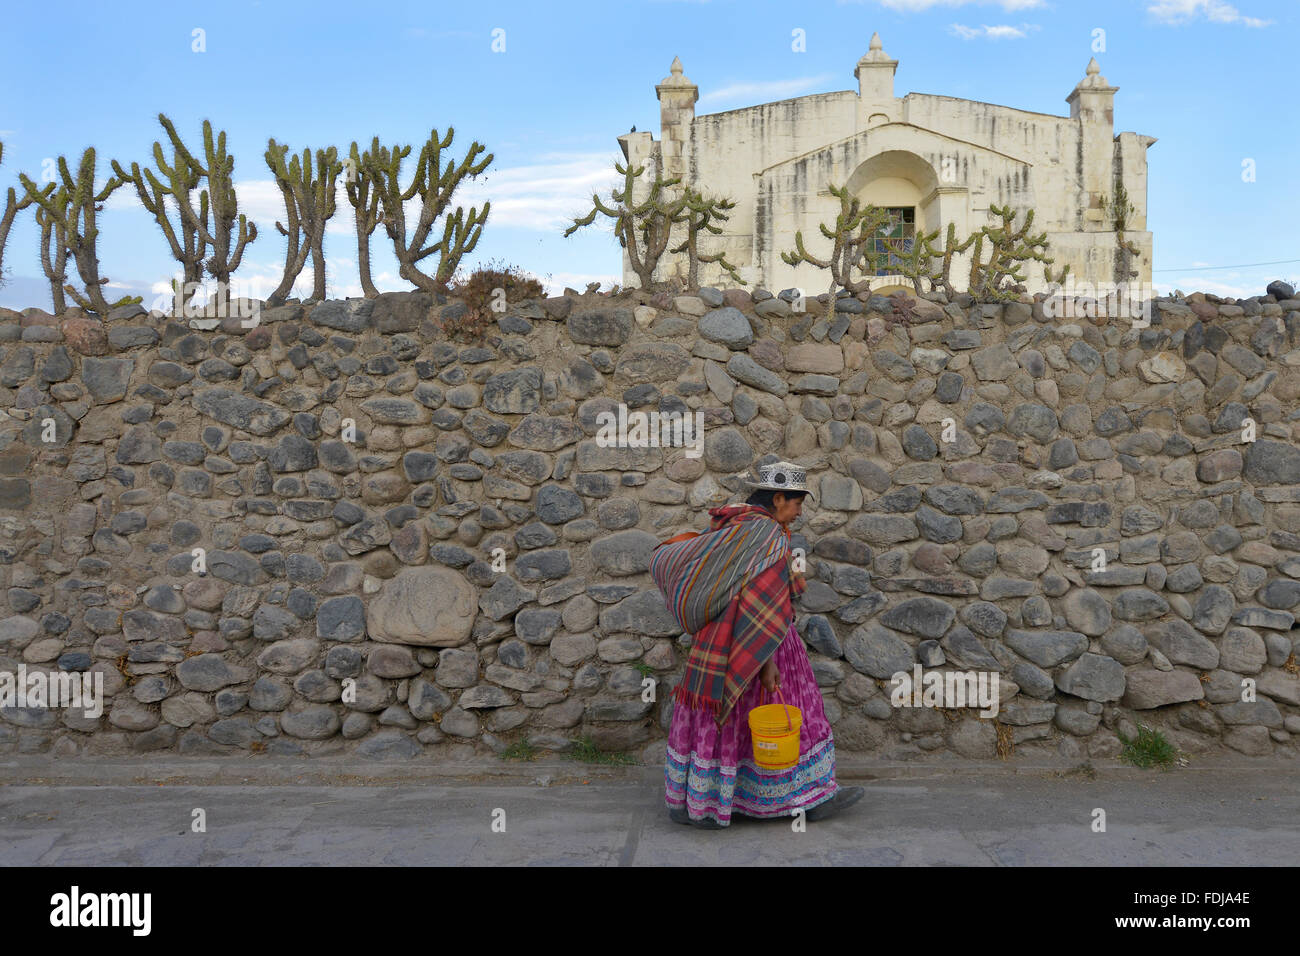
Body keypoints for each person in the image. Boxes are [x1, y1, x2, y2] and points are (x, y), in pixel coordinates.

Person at [651, 460, 865, 829]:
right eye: (797, 503)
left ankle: (699, 802)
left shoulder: (735, 525)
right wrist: (766, 661)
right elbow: (755, 602)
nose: (799, 512)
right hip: (762, 642)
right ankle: (807, 799)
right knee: (794, 712)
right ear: (778, 497)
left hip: (718, 644)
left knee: (725, 720)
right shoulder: (765, 535)